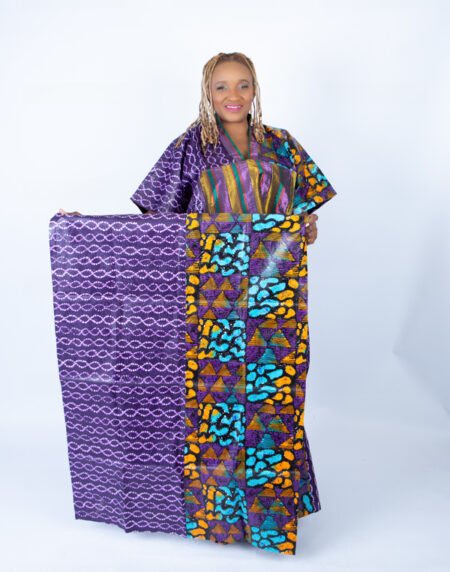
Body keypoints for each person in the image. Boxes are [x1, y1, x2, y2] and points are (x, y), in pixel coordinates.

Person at [59, 51, 337, 523]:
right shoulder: (190, 147)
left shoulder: (282, 146)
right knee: (215, 399)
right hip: (211, 295)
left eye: (243, 84)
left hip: (273, 294)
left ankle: (273, 509)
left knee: (273, 397)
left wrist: (307, 228)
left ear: (255, 89)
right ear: (208, 92)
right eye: (221, 86)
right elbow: (156, 227)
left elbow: (304, 217)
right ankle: (215, 510)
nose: (233, 95)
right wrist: (83, 229)